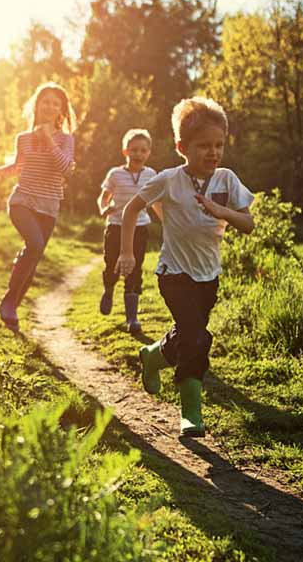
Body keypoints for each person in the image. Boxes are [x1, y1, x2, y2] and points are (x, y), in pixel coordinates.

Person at [115, 97, 255, 436]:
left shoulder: (227, 179)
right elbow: (131, 210)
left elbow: (249, 223)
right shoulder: (168, 179)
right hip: (174, 273)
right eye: (204, 145)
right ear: (182, 147)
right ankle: (191, 414)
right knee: (197, 337)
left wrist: (224, 213)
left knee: (189, 335)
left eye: (219, 144)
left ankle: (152, 356)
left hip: (209, 277)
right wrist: (127, 253)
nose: (213, 152)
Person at [0, 82, 76, 330]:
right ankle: (8, 301)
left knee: (33, 255)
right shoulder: (23, 139)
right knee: (35, 244)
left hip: (49, 206)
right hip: (22, 200)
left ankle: (12, 305)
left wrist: (49, 140)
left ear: (61, 111)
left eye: (55, 103)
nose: (50, 106)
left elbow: (66, 170)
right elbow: (19, 167)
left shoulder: (66, 139)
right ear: (37, 105)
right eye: (45, 101)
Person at [97, 129, 158, 333]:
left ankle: (132, 319)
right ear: (125, 151)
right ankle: (109, 288)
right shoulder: (115, 174)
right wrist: (104, 209)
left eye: (143, 150)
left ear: (148, 152)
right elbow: (103, 197)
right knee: (112, 264)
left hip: (140, 228)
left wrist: (169, 220)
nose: (138, 154)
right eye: (134, 150)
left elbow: (157, 200)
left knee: (134, 268)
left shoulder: (151, 175)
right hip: (115, 226)